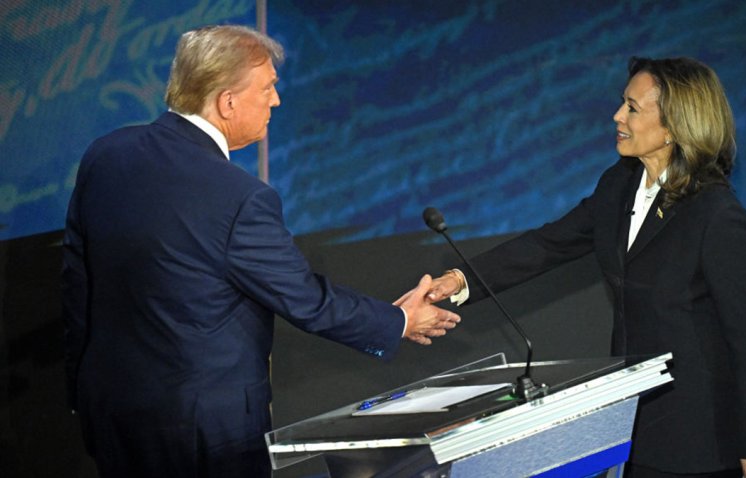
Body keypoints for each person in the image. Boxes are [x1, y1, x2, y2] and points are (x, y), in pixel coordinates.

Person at [61, 25, 460, 478]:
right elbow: (306, 300)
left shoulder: (107, 154)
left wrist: (81, 387)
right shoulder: (238, 196)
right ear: (227, 101)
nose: (276, 101)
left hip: (113, 411)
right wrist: (400, 321)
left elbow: (78, 282)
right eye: (268, 87)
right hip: (203, 432)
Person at [422, 57, 746, 478]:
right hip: (635, 419)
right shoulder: (620, 183)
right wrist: (459, 280)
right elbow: (548, 243)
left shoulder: (715, 214)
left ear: (674, 126)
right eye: (621, 104)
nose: (617, 116)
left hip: (698, 434)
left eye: (632, 107)